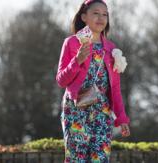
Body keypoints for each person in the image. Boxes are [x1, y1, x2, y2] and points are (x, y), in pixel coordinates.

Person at [56, 0, 130, 162]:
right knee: (77, 159)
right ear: (84, 17)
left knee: (100, 159)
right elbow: (61, 80)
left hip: (102, 112)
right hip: (76, 110)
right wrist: (77, 61)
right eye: (95, 13)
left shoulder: (111, 49)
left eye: (105, 14)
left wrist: (122, 118)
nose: (101, 18)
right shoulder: (71, 43)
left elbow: (115, 88)